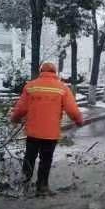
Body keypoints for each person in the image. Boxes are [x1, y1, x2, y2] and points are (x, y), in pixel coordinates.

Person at [10, 62, 83, 195]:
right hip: (50, 133)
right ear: (55, 72)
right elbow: (72, 109)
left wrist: (14, 119)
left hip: (33, 131)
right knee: (46, 159)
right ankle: (42, 186)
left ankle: (24, 184)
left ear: (41, 71)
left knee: (29, 157)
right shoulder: (62, 88)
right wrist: (78, 121)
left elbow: (21, 108)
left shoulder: (31, 86)